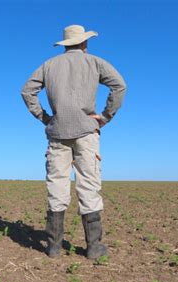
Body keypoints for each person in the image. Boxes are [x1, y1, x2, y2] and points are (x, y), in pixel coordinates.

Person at [21, 25, 127, 259]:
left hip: (57, 133)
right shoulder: (95, 62)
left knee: (57, 186)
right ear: (84, 44)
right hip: (87, 133)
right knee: (88, 185)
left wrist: (46, 118)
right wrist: (105, 117)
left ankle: (54, 247)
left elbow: (27, 91)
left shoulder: (49, 65)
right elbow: (120, 86)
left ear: (65, 44)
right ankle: (94, 248)